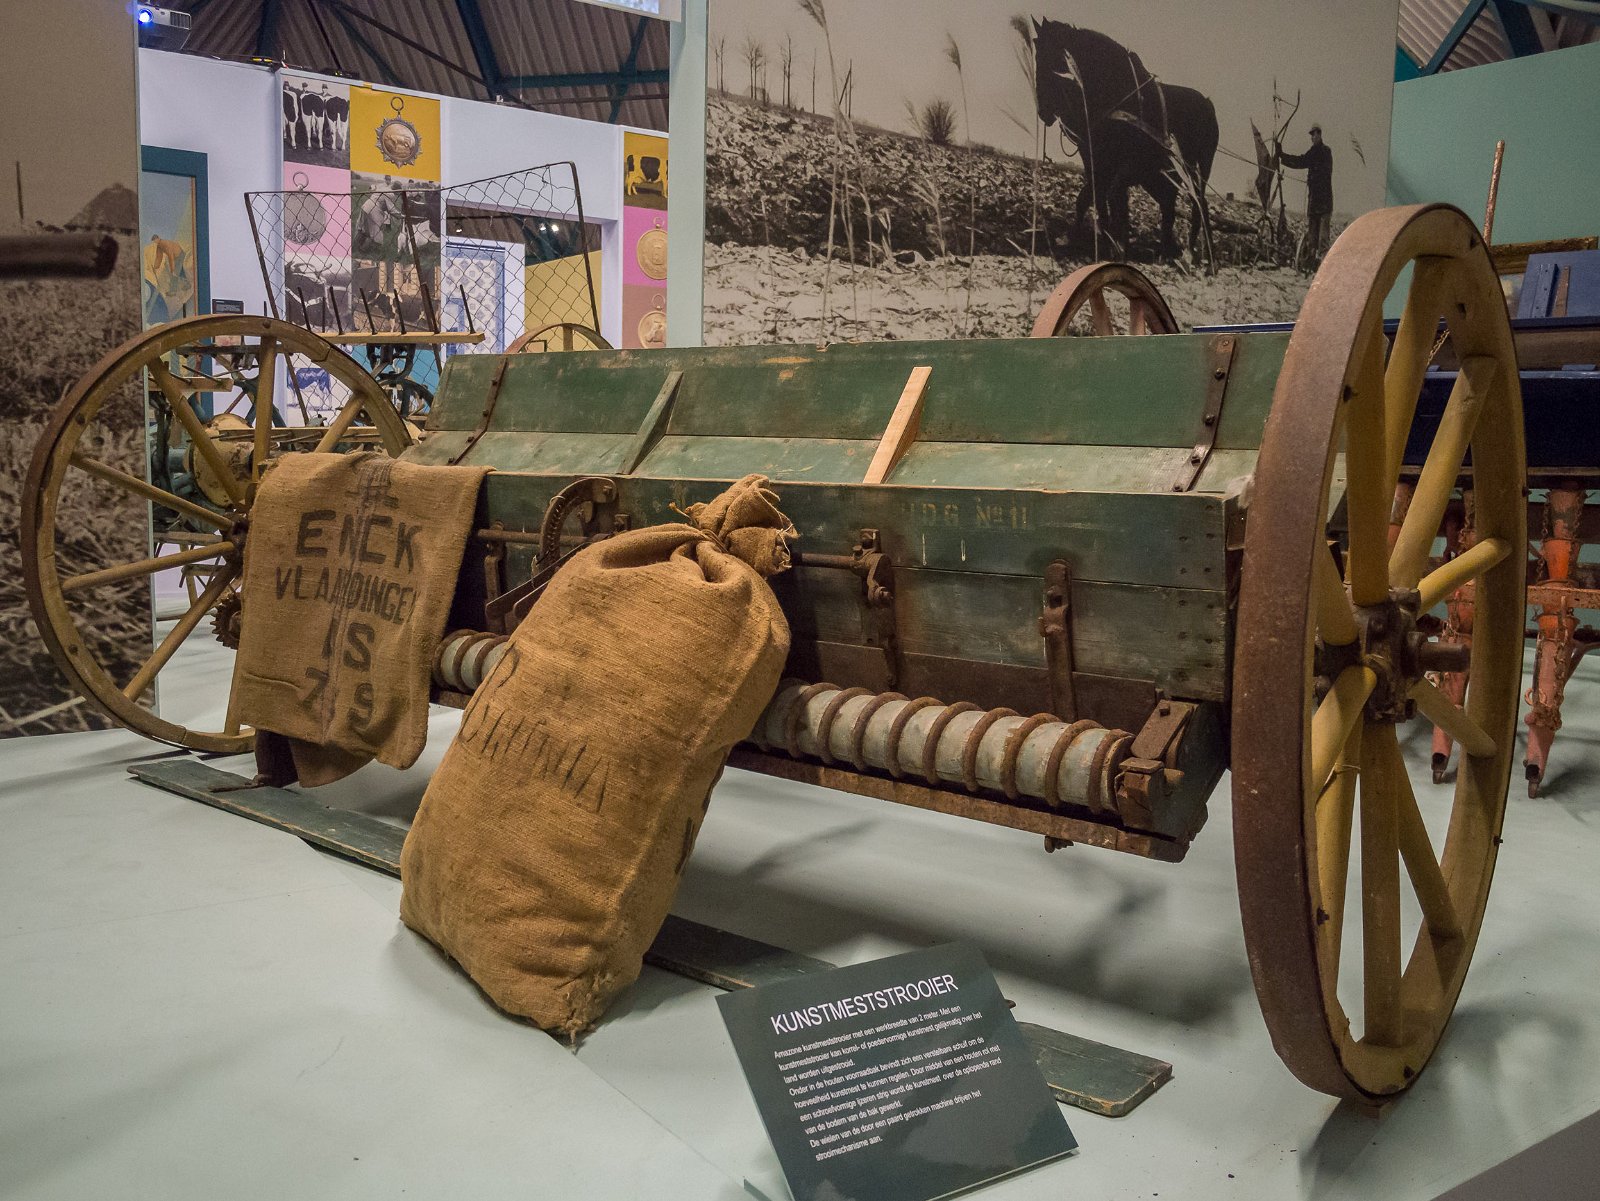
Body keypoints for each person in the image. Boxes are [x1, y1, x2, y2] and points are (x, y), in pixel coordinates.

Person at [1277, 124, 1333, 269]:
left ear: (1320, 135)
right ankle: (1311, 265)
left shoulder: (1325, 151)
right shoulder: (1313, 152)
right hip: (1314, 203)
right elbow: (1301, 161)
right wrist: (1282, 155)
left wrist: (1283, 156)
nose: (1312, 138)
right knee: (1312, 239)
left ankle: (1324, 268)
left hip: (1324, 204)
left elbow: (1305, 162)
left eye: (1314, 135)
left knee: (1323, 240)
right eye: (1311, 135)